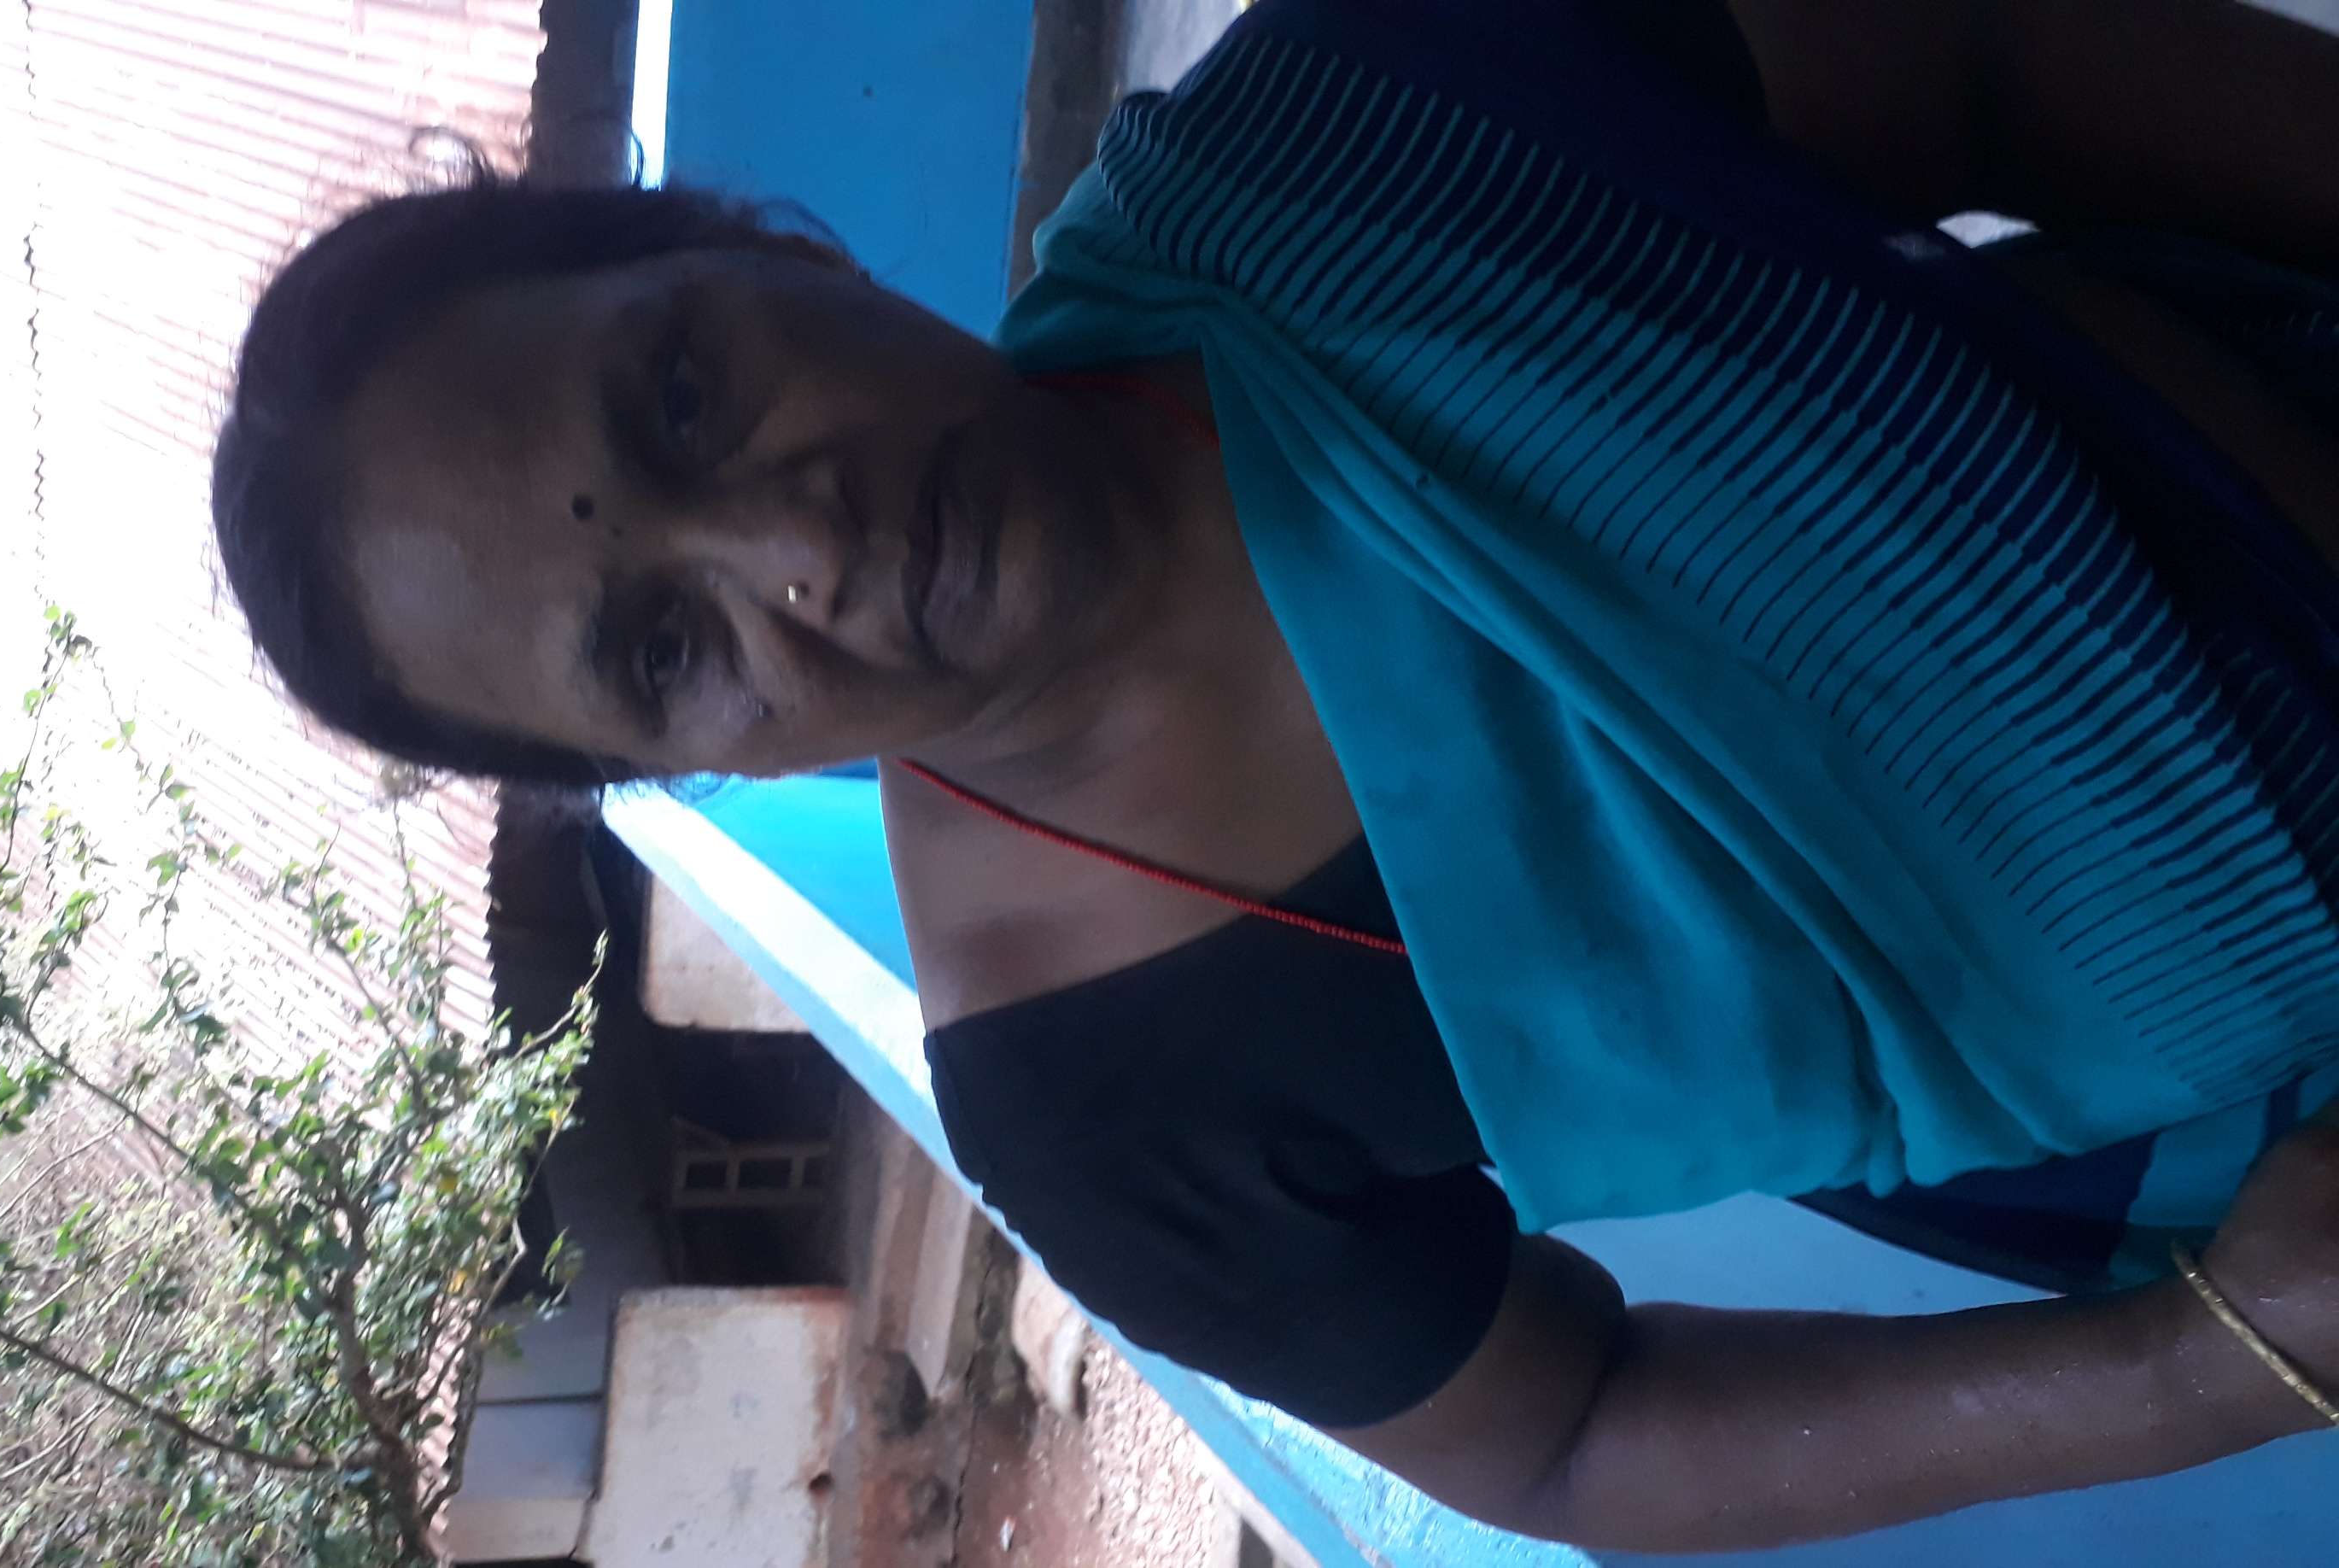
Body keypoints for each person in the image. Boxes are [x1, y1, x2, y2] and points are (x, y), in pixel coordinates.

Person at [211, 0, 2339, 1550]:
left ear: (765, 245)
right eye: (663, 650)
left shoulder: (1337, 144)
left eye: (680, 396)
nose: (798, 546)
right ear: (671, 769)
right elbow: (1568, 1433)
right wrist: (2203, 1364)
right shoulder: (1101, 1103)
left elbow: (1975, 64)